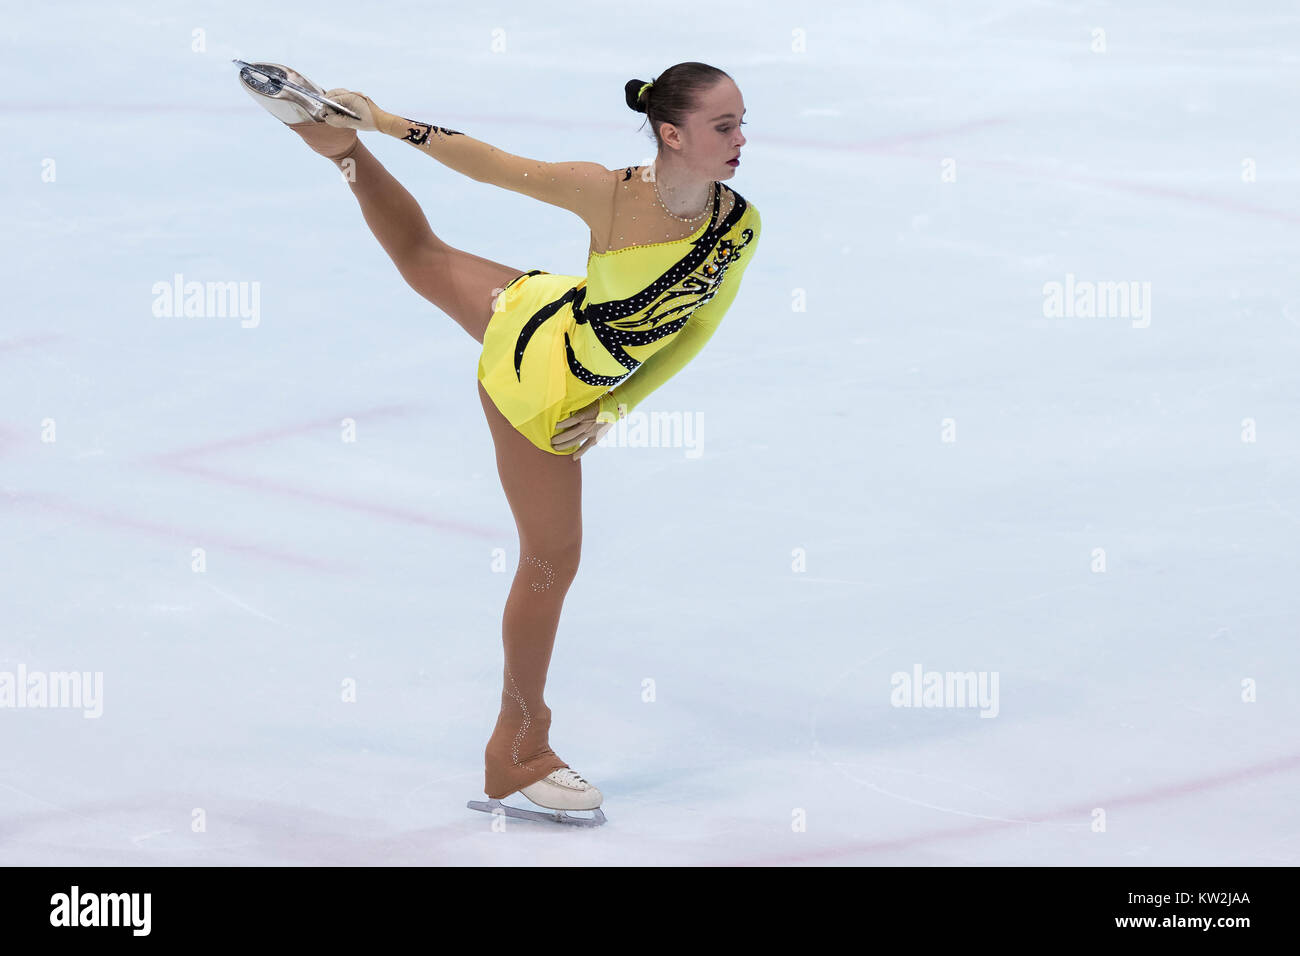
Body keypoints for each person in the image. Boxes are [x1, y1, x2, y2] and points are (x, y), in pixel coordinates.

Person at [239, 60, 761, 822]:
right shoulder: (607, 193)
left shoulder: (737, 223)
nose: (742, 139)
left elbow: (698, 327)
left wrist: (619, 408)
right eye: (725, 126)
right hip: (542, 387)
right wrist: (381, 117)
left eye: (744, 122)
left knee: (424, 257)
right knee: (552, 561)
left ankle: (335, 152)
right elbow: (490, 165)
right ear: (673, 134)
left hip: (546, 315)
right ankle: (516, 750)